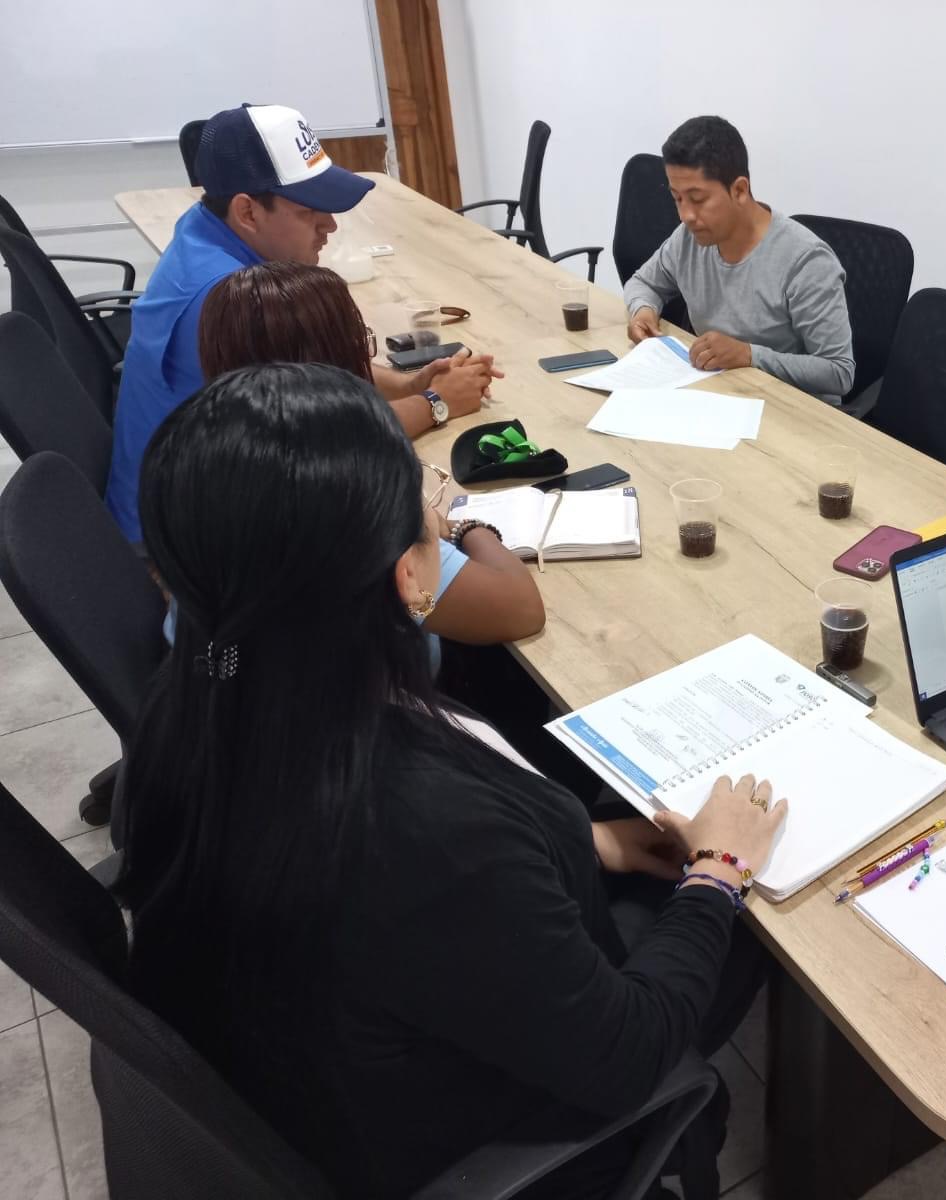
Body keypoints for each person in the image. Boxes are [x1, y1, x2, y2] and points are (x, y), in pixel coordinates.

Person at [121, 362, 785, 1198]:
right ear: (410, 577)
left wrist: (590, 841)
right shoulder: (422, 829)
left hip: (342, 1056)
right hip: (479, 1135)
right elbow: (626, 1053)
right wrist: (718, 872)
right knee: (778, 932)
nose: (439, 518)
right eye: (430, 508)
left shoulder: (201, 691)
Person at [108, 103, 500, 542]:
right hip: (185, 543)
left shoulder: (205, 226)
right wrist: (435, 402)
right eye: (309, 210)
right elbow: (333, 443)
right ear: (248, 212)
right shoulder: (234, 299)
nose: (329, 225)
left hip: (183, 500)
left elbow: (309, 369)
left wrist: (408, 385)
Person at [196, 262, 544, 651]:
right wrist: (464, 528)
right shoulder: (342, 494)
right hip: (352, 687)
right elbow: (521, 610)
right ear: (333, 361)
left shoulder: (208, 455)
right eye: (360, 340)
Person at [623, 115, 855, 404]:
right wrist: (643, 311)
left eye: (697, 199)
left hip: (794, 412)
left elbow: (839, 372)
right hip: (719, 394)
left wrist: (749, 355)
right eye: (677, 198)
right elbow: (644, 283)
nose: (686, 215)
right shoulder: (689, 238)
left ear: (740, 190)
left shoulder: (806, 261)